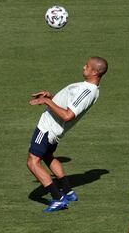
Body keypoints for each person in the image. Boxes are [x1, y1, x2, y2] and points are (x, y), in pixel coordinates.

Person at [27, 56, 108, 212]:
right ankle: (68, 191)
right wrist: (51, 98)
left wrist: (47, 102)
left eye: (88, 66)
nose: (84, 66)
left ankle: (58, 198)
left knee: (32, 162)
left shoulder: (87, 91)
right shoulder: (88, 88)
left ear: (95, 72)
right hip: (53, 128)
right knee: (47, 156)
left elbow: (67, 115)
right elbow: (68, 106)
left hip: (47, 129)